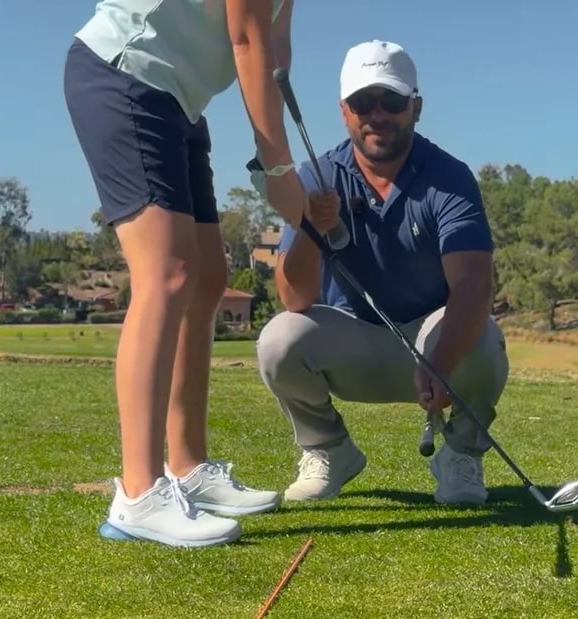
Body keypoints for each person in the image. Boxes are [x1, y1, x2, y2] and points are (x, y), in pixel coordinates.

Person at [62, 0, 324, 548]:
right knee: (168, 274)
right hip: (126, 73)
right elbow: (246, 40)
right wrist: (277, 167)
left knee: (206, 277)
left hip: (179, 102)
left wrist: (276, 164)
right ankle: (138, 495)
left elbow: (275, 48)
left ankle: (187, 466)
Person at [256, 40, 510, 507]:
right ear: (344, 111)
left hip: (432, 344)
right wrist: (311, 228)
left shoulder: (449, 177)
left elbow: (473, 285)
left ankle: (460, 454)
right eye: (362, 102)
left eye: (391, 101)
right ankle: (329, 450)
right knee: (278, 340)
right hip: (351, 344)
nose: (377, 114)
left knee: (484, 337)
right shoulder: (315, 176)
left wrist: (442, 359)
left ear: (416, 107)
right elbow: (294, 299)